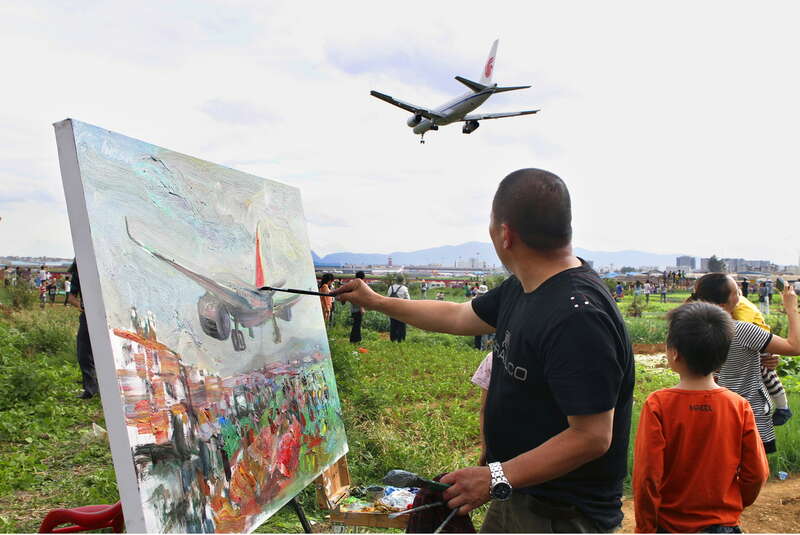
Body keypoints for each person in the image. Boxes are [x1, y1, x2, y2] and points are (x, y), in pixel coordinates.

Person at [336, 169, 634, 532]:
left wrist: (495, 476)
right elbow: (459, 315)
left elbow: (591, 436)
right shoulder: (524, 288)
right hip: (518, 491)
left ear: (505, 234)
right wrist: (377, 301)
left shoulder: (577, 316)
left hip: (559, 515)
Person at [633, 301, 769, 533]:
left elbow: (647, 476)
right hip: (723, 524)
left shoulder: (658, 404)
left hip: (670, 526)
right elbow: (757, 473)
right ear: (723, 355)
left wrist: (645, 528)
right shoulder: (739, 406)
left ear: (674, 353)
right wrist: (733, 504)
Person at [689, 273, 800, 454]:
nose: (740, 296)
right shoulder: (742, 331)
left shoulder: (690, 330)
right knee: (750, 476)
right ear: (723, 304)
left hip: (708, 416)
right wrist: (791, 308)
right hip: (748, 417)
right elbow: (795, 347)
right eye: (736, 293)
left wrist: (758, 357)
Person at [733, 291, 793, 426]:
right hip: (758, 340)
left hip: (757, 341)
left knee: (766, 371)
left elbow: (743, 329)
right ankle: (782, 407)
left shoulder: (740, 306)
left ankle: (783, 407)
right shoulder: (739, 304)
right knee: (766, 372)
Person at [67, 260, 99, 399]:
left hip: (110, 315)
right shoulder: (78, 272)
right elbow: (71, 297)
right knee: (84, 353)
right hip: (88, 316)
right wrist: (80, 305)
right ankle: (90, 389)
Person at [386, 275, 410, 342]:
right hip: (401, 310)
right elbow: (408, 300)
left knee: (393, 325)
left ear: (396, 280)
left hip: (392, 310)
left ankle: (393, 339)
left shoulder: (391, 287)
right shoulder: (404, 288)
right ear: (402, 280)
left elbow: (388, 297)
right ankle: (401, 339)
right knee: (401, 326)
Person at [349, 271, 366, 343]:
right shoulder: (360, 285)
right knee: (357, 325)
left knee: (355, 324)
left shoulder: (352, 284)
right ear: (362, 278)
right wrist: (362, 308)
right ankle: (356, 340)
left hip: (353, 308)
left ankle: (354, 339)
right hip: (358, 309)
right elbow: (360, 298)